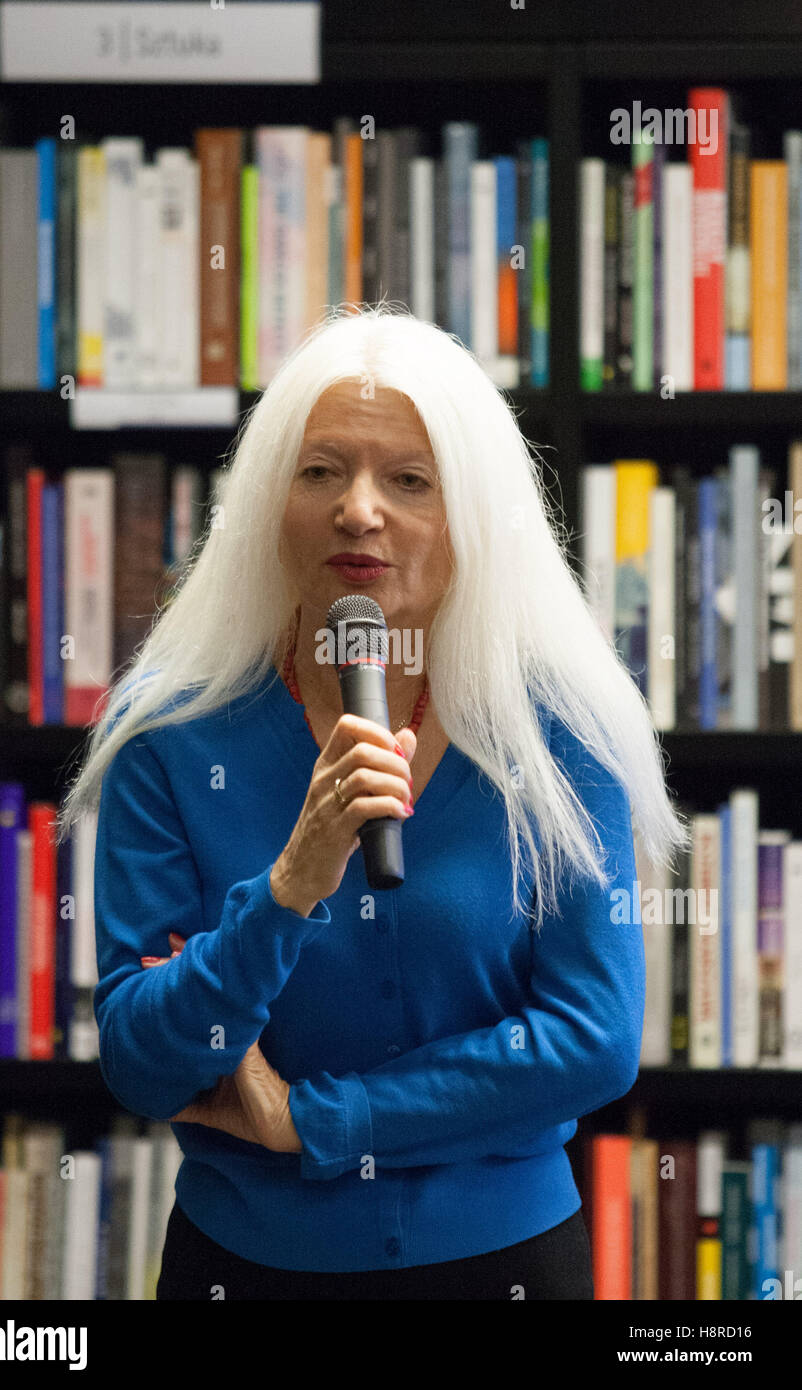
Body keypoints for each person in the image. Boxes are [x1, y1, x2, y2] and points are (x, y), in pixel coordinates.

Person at [59, 304, 689, 1300]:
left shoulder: (564, 722)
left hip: (506, 1268)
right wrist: (286, 889)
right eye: (320, 472)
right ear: (270, 502)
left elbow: (591, 1037)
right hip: (246, 1268)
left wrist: (322, 1118)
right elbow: (141, 1058)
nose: (359, 509)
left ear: (472, 516)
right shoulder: (171, 727)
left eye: (407, 479)